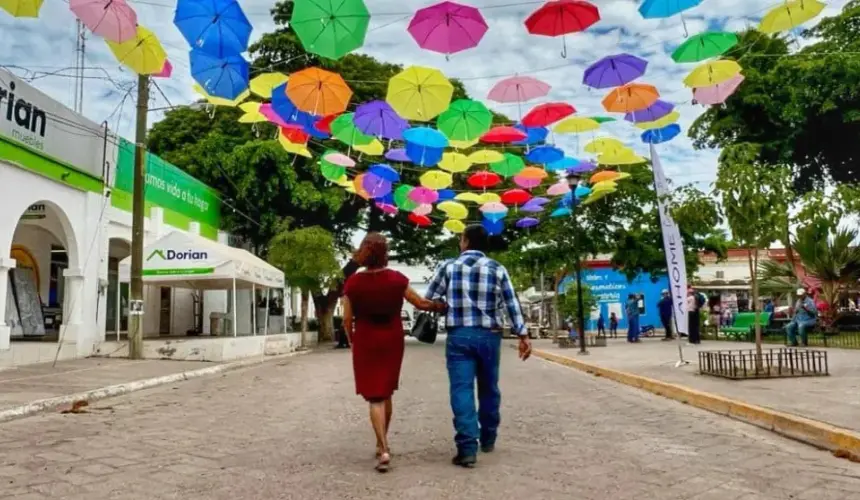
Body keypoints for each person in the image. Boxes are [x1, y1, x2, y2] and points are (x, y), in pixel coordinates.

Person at [425, 225, 531, 468]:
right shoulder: (497, 269)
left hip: (459, 336)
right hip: (489, 336)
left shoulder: (448, 267)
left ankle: (467, 449)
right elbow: (511, 303)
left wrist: (445, 304)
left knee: (461, 389)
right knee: (489, 388)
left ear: (465, 241)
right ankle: (489, 437)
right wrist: (523, 334)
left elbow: (430, 297)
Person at [342, 233, 446, 472]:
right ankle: (382, 444)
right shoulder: (396, 279)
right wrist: (439, 305)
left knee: (374, 395)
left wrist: (351, 339)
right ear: (385, 253)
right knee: (385, 391)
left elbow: (347, 318)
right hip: (391, 338)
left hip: (366, 339)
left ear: (363, 252)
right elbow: (420, 303)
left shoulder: (353, 283)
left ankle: (383, 446)